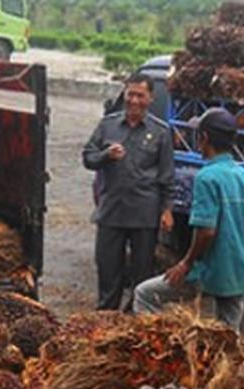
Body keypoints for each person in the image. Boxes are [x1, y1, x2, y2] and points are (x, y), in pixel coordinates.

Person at [133, 108, 244, 331]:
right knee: (229, 334)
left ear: (204, 138)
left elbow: (206, 231)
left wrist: (186, 263)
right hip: (240, 271)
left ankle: (157, 343)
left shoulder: (207, 177)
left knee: (144, 294)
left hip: (210, 271)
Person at [83, 74, 174, 310]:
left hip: (144, 215)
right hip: (111, 211)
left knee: (141, 276)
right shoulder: (108, 125)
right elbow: (88, 157)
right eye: (130, 94)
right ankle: (106, 317)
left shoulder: (161, 132)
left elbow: (166, 176)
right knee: (107, 271)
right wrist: (105, 155)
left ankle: (134, 319)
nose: (134, 100)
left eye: (140, 95)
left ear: (150, 98)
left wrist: (167, 210)